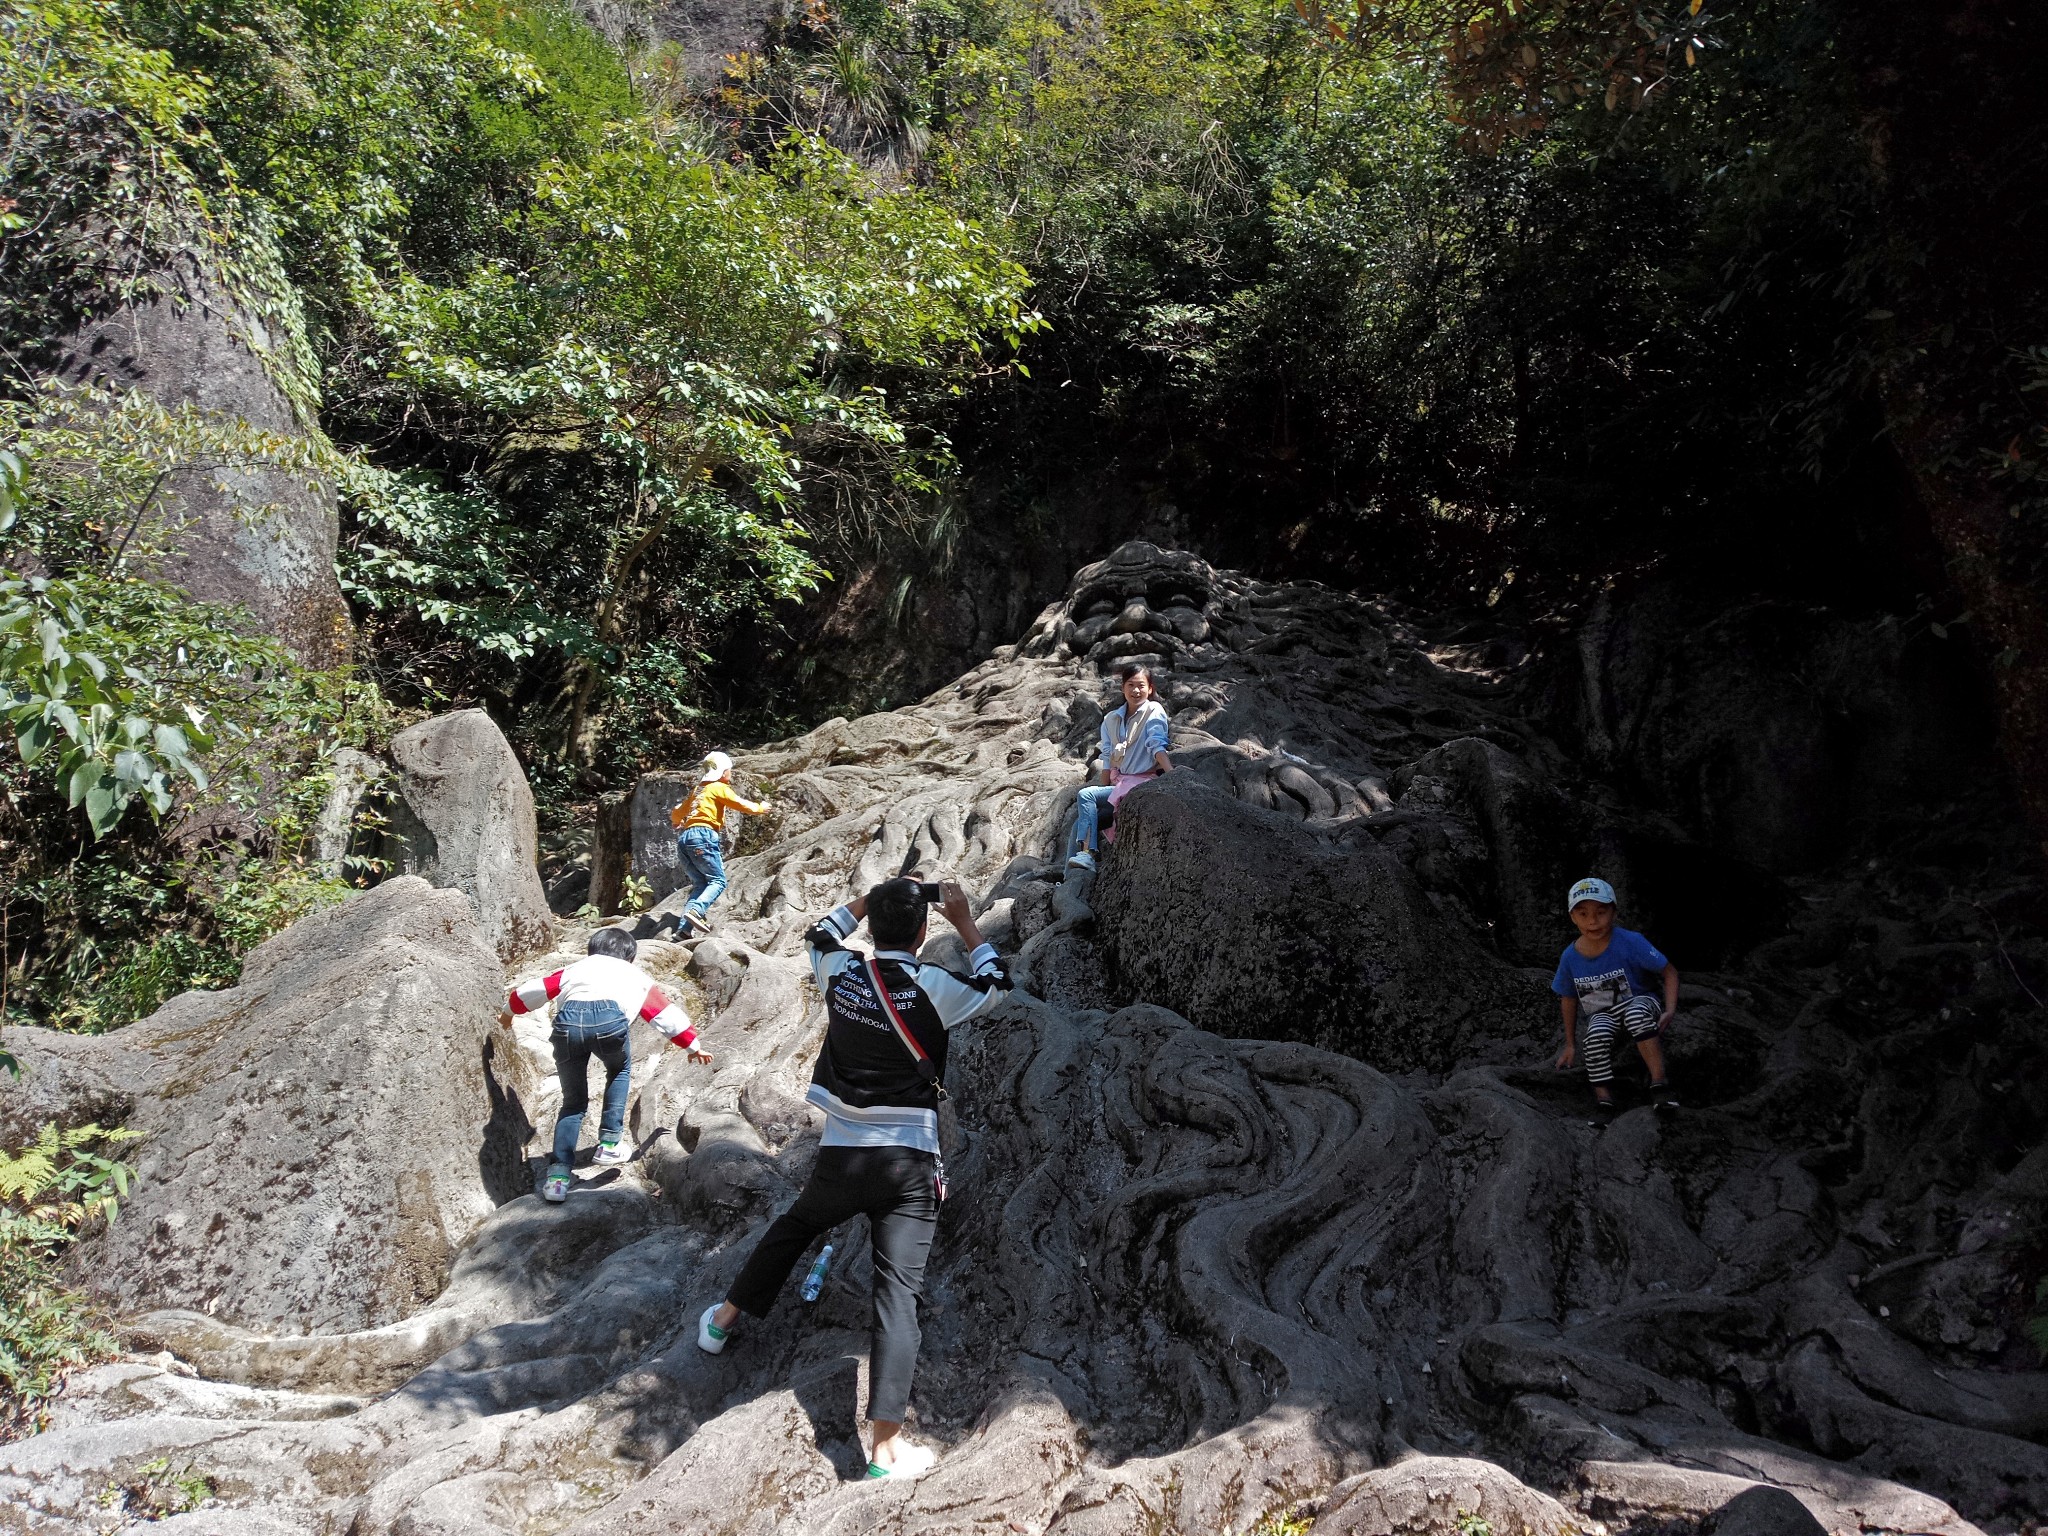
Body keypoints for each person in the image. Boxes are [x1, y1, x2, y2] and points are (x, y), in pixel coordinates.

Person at [696, 877, 1011, 1481]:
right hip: (908, 1166)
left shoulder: (840, 973)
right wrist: (967, 923)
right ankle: (885, 1450)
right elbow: (999, 986)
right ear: (923, 932)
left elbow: (819, 933)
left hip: (841, 1157)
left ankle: (721, 1323)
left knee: (792, 1230)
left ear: (872, 925)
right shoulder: (936, 986)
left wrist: (868, 900)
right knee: (897, 1294)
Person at [504, 927, 713, 1202]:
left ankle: (556, 1179)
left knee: (573, 1103)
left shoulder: (576, 969)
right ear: (630, 956)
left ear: (592, 949)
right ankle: (610, 1143)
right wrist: (692, 1045)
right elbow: (663, 1013)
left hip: (567, 1026)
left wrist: (508, 1013)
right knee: (619, 1070)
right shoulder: (635, 975)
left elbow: (532, 991)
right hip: (608, 1025)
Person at [1551, 877, 1680, 1126]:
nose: (1593, 921)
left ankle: (1660, 1085)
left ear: (1614, 912)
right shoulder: (1569, 957)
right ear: (1572, 916)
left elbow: (1669, 971)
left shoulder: (1631, 942)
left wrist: (1670, 1010)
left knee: (1636, 1014)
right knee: (1595, 1036)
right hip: (1601, 1012)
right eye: (1583, 913)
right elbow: (1568, 998)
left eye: (1601, 912)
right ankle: (1604, 1101)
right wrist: (1570, 1045)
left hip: (1640, 1001)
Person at [1066, 662, 1172, 872]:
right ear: (1123, 687)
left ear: (1150, 689)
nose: (1136, 690)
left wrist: (1172, 774)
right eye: (1131, 685)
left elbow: (1157, 744)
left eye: (1141, 685)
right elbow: (1107, 757)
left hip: (1142, 783)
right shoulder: (1111, 720)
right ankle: (1069, 876)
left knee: (1086, 795)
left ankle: (1088, 854)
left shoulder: (1154, 710)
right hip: (1120, 784)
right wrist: (1105, 791)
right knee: (1080, 824)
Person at [671, 750, 774, 935]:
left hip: (685, 839)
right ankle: (696, 911)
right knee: (718, 881)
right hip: (703, 835)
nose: (730, 773)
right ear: (722, 772)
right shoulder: (718, 787)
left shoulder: (698, 790)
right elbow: (739, 803)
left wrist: (677, 821)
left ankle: (683, 930)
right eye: (729, 770)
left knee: (701, 884)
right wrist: (760, 808)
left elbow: (678, 810)